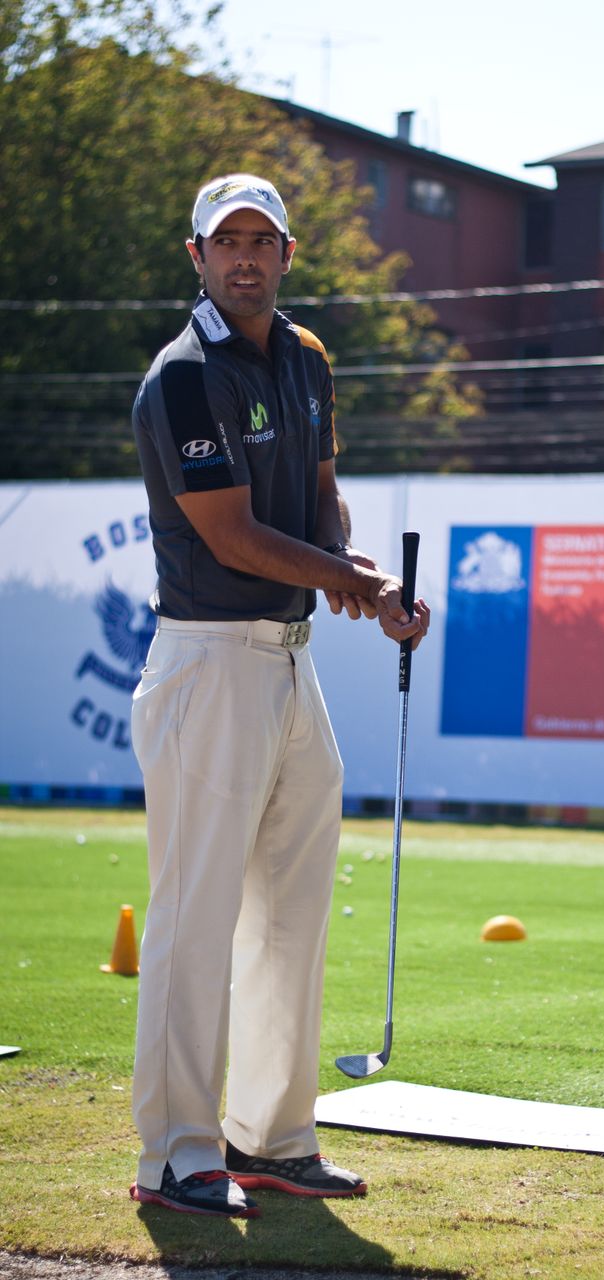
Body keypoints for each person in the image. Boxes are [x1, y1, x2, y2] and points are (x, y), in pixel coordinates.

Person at [128, 173, 429, 1218]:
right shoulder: (182, 377)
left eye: (263, 239)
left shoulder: (304, 359)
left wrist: (350, 570)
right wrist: (357, 580)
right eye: (228, 241)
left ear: (289, 255)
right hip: (207, 661)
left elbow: (318, 495)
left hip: (291, 661)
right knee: (194, 915)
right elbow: (233, 532)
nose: (246, 256)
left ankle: (270, 1136)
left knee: (290, 913)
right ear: (196, 255)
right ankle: (175, 1152)